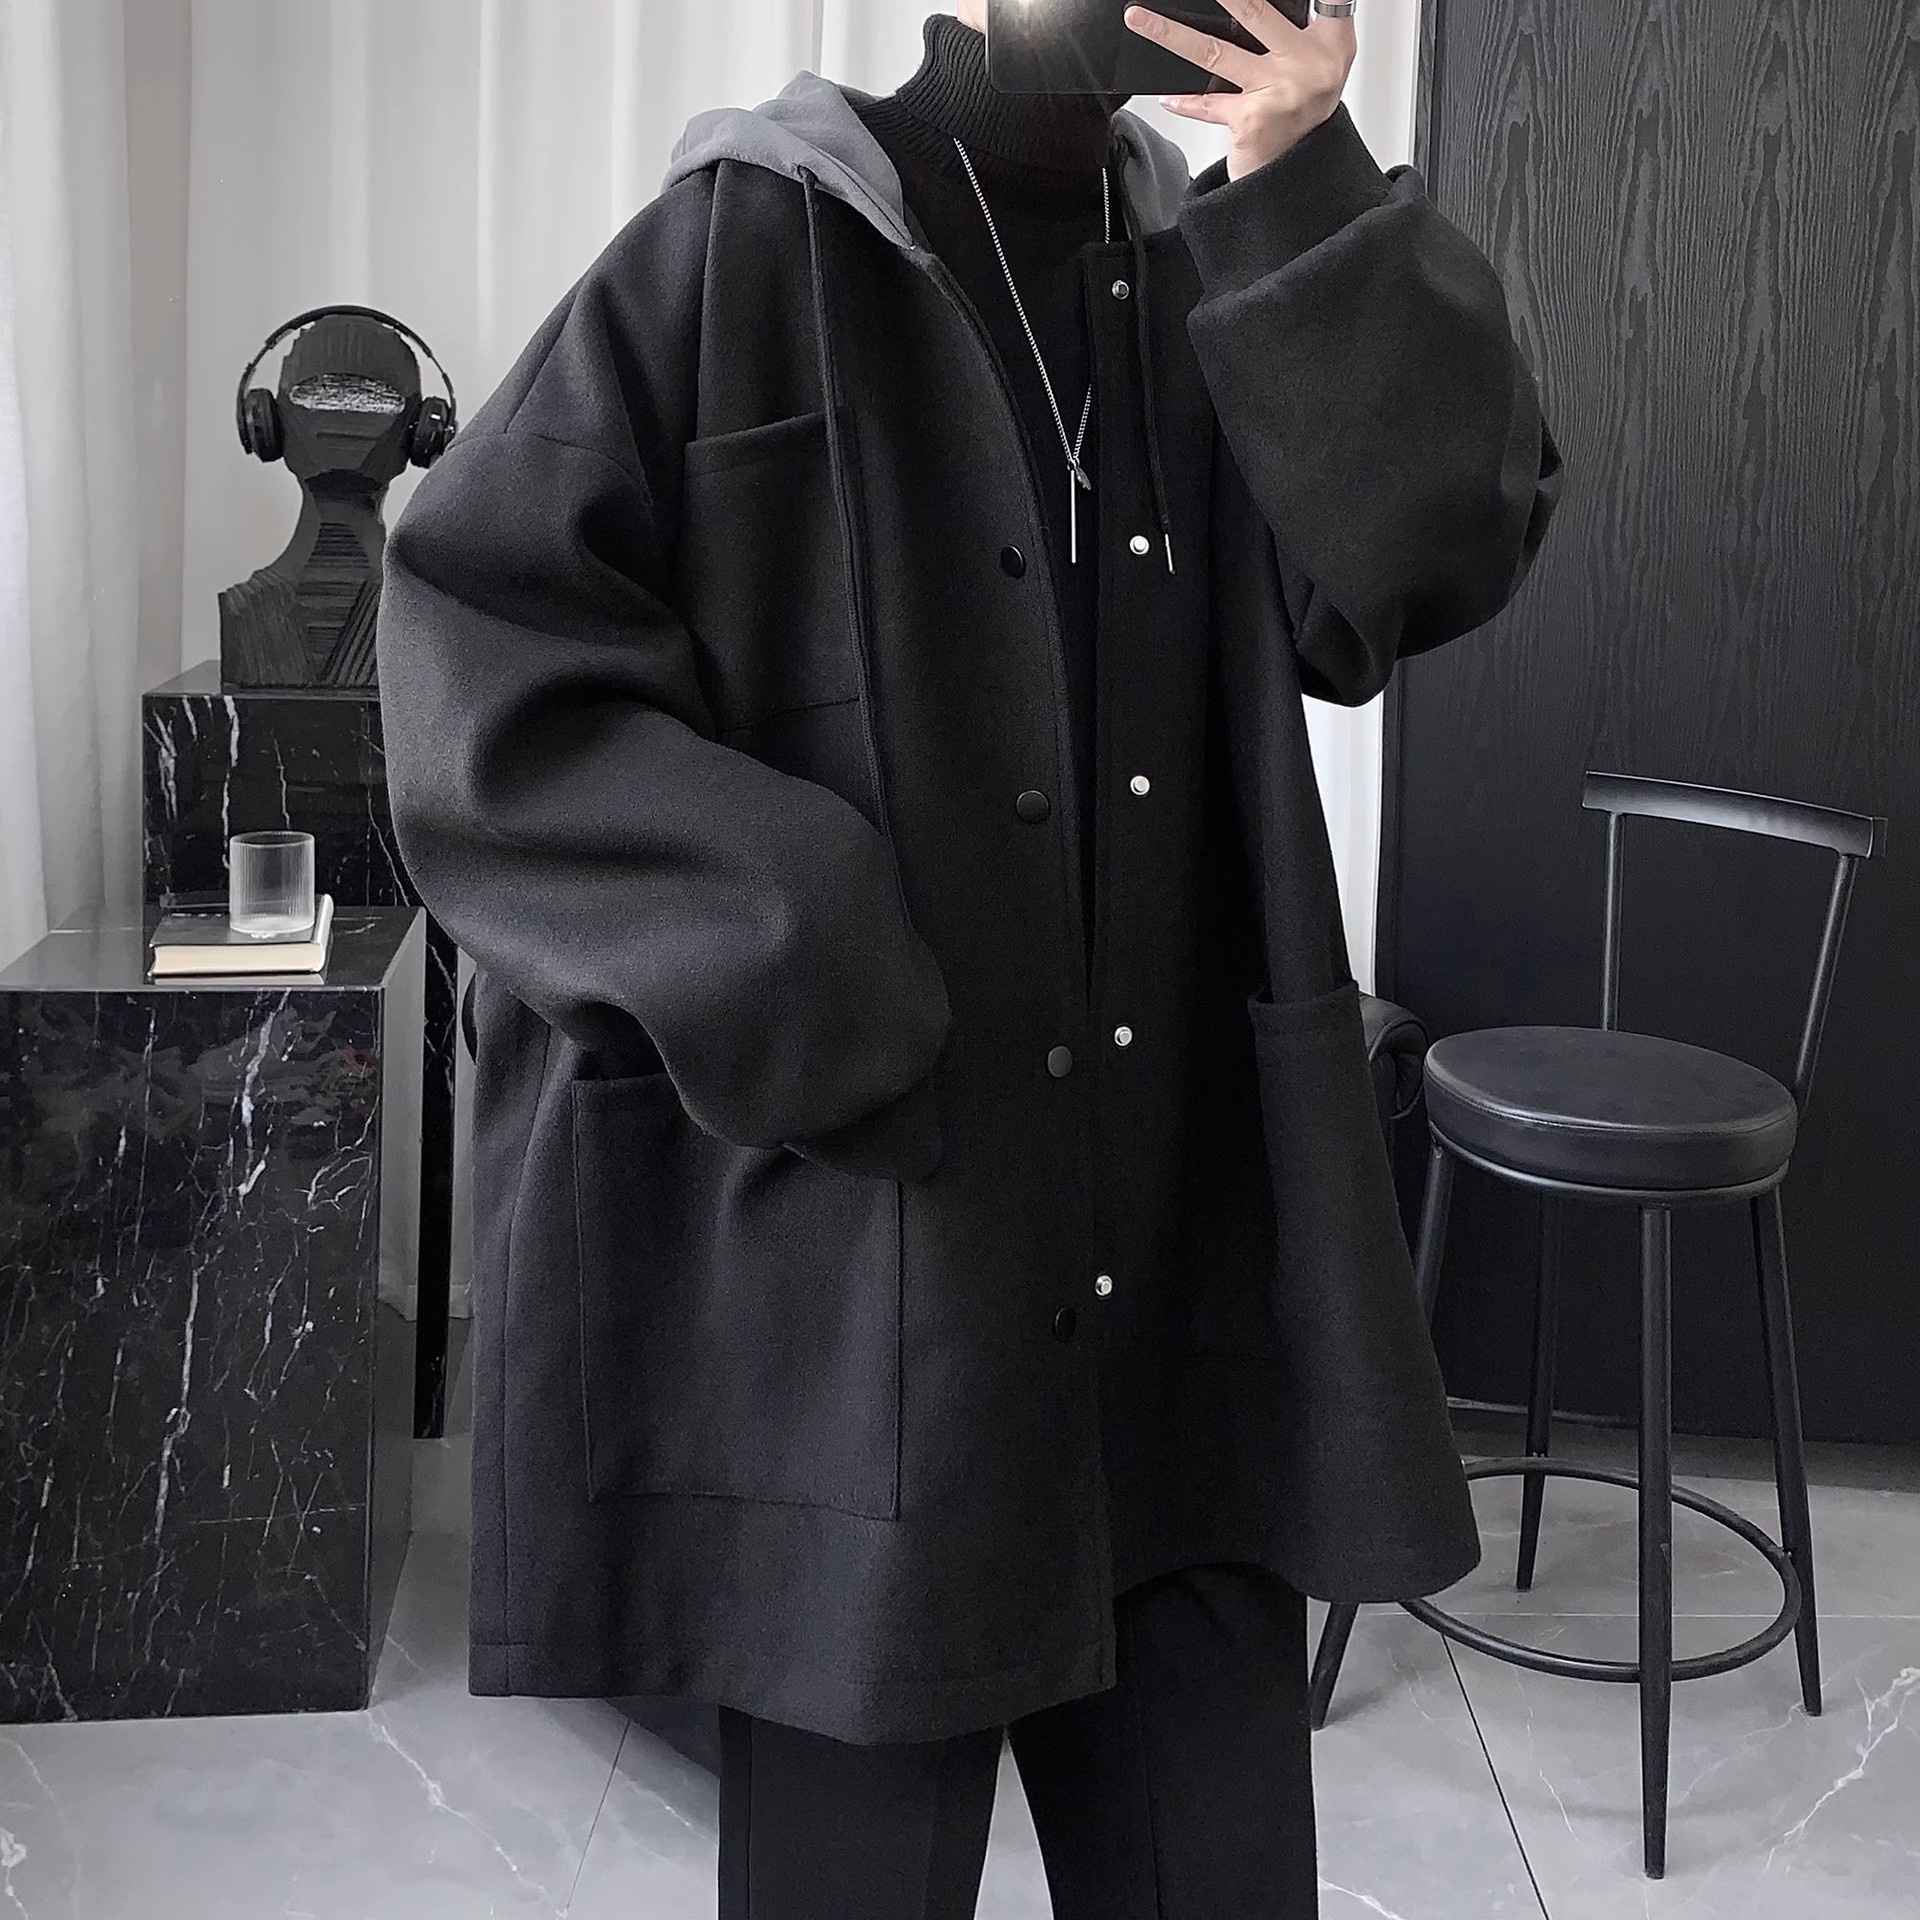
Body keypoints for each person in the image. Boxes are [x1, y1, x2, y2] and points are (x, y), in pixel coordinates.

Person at [376, 1, 1563, 1913]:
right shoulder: (743, 241)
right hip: (877, 1305)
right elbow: (476, 660)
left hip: (1185, 1307)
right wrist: (793, 940)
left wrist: (1305, 186)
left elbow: (1434, 555)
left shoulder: (1232, 268)